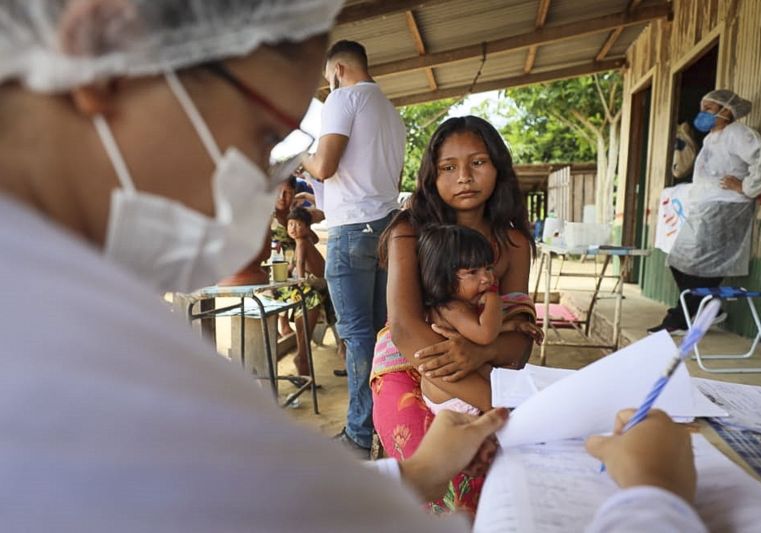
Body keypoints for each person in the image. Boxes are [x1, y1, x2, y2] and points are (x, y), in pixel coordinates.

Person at [0, 2, 717, 531]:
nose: (267, 187)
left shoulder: (54, 301)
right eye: (260, 133)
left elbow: (280, 497)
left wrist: (418, 472)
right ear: (106, 44)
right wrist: (653, 493)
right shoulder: (62, 351)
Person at [372, 116, 539, 515]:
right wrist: (503, 411)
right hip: (409, 365)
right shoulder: (409, 230)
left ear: (498, 167)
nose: (464, 176)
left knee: (504, 484)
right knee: (443, 480)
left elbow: (520, 344)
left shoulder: (513, 243)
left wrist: (481, 353)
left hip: (487, 367)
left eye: (478, 163)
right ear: (432, 175)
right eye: (448, 167)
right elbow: (406, 329)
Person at [302, 39, 406, 456]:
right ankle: (384, 424)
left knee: (357, 335)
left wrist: (302, 157)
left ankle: (359, 434)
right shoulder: (392, 114)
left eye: (328, 78)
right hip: (386, 229)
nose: (328, 85)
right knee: (382, 331)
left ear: (339, 69)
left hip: (350, 232)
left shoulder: (343, 98)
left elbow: (324, 166)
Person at [648, 89, 761, 335]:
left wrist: (746, 187)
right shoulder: (711, 138)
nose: (703, 114)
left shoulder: (737, 133)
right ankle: (709, 308)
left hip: (727, 207)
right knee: (678, 260)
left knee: (702, 265)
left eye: (709, 109)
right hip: (705, 206)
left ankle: (680, 318)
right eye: (703, 108)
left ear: (726, 111)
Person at [416, 224, 541, 416]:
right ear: (443, 278)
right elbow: (485, 335)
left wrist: (513, 325)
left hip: (457, 394)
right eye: (473, 272)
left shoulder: (461, 305)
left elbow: (473, 333)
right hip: (457, 400)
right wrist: (494, 299)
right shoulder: (451, 308)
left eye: (489, 268)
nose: (487, 278)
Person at [274, 206, 327, 375]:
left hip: (317, 283)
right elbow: (294, 264)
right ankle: (303, 355)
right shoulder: (300, 242)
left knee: (307, 298)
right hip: (316, 283)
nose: (293, 229)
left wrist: (298, 279)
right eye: (290, 225)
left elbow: (300, 265)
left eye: (298, 225)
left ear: (307, 227)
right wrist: (287, 270)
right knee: (301, 302)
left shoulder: (303, 242)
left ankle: (302, 355)